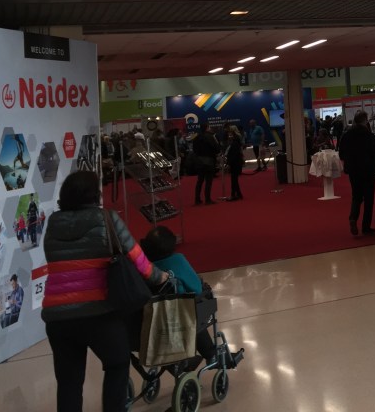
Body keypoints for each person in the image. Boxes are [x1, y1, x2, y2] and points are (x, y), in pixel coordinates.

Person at [42, 169, 168, 412]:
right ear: (94, 195)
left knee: (69, 381)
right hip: (99, 312)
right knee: (117, 363)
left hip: (58, 316)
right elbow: (137, 259)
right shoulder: (107, 219)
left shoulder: (53, 224)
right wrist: (159, 276)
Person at [139, 226, 242, 370]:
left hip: (148, 317)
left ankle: (192, 358)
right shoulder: (177, 261)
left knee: (184, 313)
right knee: (195, 311)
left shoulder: (142, 265)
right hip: (178, 315)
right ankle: (211, 354)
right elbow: (196, 288)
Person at [339, 110, 375, 236]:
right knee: (369, 199)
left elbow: (341, 153)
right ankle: (366, 226)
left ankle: (353, 218)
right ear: (365, 121)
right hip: (368, 170)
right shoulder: (368, 135)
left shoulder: (346, 135)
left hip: (353, 171)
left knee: (356, 196)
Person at [193, 125, 221, 204]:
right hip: (209, 161)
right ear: (207, 128)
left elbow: (194, 149)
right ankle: (207, 199)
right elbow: (217, 149)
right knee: (208, 181)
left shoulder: (197, 137)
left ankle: (197, 199)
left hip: (199, 161)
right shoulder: (211, 137)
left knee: (200, 181)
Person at [224, 126, 245, 201]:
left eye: (230, 133)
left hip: (235, 163)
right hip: (235, 163)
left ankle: (234, 195)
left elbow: (234, 154)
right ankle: (238, 194)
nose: (228, 134)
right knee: (234, 180)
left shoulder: (235, 142)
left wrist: (229, 163)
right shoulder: (235, 141)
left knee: (234, 180)